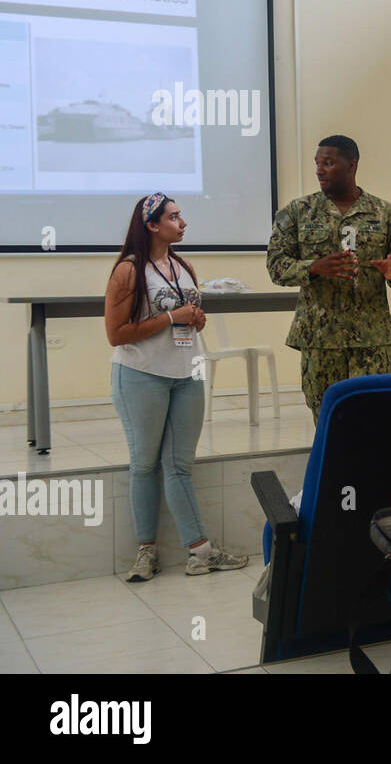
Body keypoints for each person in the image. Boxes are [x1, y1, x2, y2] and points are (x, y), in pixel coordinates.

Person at [105, 193, 249, 581]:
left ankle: (200, 552)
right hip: (141, 375)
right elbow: (115, 334)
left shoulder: (182, 264)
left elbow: (185, 315)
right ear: (151, 225)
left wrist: (194, 319)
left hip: (187, 374)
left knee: (179, 465)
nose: (182, 223)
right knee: (145, 464)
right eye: (173, 217)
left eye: (181, 216)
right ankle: (146, 553)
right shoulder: (128, 271)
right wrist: (172, 317)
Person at [266, 135, 391, 423]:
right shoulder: (297, 213)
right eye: (317, 163)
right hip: (320, 340)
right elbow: (276, 267)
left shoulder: (387, 215)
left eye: (329, 163)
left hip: (371, 341)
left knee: (374, 422)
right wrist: (313, 268)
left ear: (352, 165)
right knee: (327, 422)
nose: (320, 170)